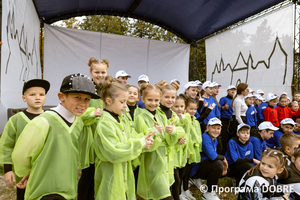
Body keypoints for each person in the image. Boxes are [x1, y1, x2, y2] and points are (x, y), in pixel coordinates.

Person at [12, 73, 100, 200]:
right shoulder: (44, 121)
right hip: (44, 191)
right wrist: (28, 172)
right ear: (61, 96)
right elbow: (20, 156)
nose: (83, 103)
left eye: (87, 99)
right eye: (77, 97)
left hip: (67, 190)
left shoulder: (78, 122)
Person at [93, 76, 155, 200]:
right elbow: (115, 151)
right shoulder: (105, 123)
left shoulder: (122, 119)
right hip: (110, 173)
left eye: (126, 102)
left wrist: (145, 139)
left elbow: (131, 135)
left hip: (124, 172)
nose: (125, 106)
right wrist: (140, 143)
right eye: (122, 102)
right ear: (109, 101)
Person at [0, 79, 50, 200]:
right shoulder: (16, 120)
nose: (37, 97)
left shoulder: (51, 118)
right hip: (23, 171)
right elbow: (7, 145)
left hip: (46, 169)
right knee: (24, 195)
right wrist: (8, 170)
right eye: (32, 94)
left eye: (41, 94)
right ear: (24, 98)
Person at [134, 82, 177, 200]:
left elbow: (169, 141)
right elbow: (145, 144)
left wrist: (172, 131)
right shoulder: (140, 118)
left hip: (164, 161)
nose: (153, 103)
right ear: (142, 99)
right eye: (149, 100)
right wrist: (155, 132)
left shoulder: (162, 115)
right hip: (152, 162)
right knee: (164, 195)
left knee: (157, 194)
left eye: (156, 100)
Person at [78, 57, 109, 200]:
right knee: (88, 173)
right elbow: (78, 114)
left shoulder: (108, 90)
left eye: (103, 72)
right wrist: (92, 113)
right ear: (91, 72)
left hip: (103, 137)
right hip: (89, 138)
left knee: (97, 173)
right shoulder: (86, 90)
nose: (100, 75)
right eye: (97, 72)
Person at [155, 80, 185, 200]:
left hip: (171, 155)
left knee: (174, 180)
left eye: (173, 97)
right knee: (161, 187)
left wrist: (177, 135)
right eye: (167, 97)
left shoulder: (173, 114)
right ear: (161, 97)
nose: (170, 100)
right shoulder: (156, 112)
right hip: (158, 155)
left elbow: (181, 131)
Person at [190, 117, 228, 200]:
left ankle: (210, 189)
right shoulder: (205, 137)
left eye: (218, 128)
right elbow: (212, 156)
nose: (216, 130)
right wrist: (224, 160)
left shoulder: (214, 138)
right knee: (218, 164)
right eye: (213, 128)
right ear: (207, 128)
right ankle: (208, 193)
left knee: (218, 164)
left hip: (203, 165)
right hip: (194, 169)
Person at [178, 94, 203, 200]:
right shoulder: (184, 119)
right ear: (185, 108)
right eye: (190, 109)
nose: (193, 111)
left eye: (195, 109)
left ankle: (185, 189)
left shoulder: (194, 120)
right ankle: (179, 192)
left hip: (192, 149)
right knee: (182, 172)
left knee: (187, 171)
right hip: (184, 149)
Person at [219, 85, 236, 155]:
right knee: (224, 138)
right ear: (227, 91)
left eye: (234, 90)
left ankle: (229, 154)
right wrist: (224, 107)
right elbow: (218, 108)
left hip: (232, 120)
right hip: (224, 120)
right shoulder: (223, 99)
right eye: (231, 90)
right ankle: (222, 154)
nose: (232, 91)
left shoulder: (235, 99)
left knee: (231, 138)